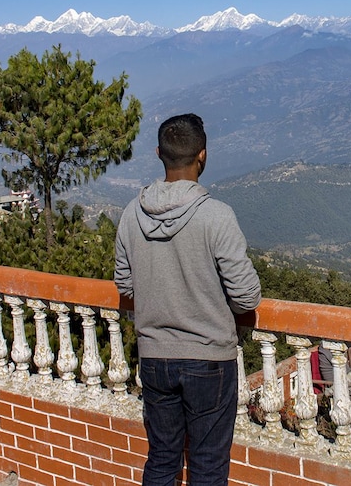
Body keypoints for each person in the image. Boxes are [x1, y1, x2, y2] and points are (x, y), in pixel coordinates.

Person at [114, 113, 262, 486]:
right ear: (202, 156)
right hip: (209, 358)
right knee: (208, 465)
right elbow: (246, 297)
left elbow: (125, 286)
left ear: (158, 153)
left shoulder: (131, 214)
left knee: (162, 459)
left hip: (154, 356)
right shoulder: (217, 216)